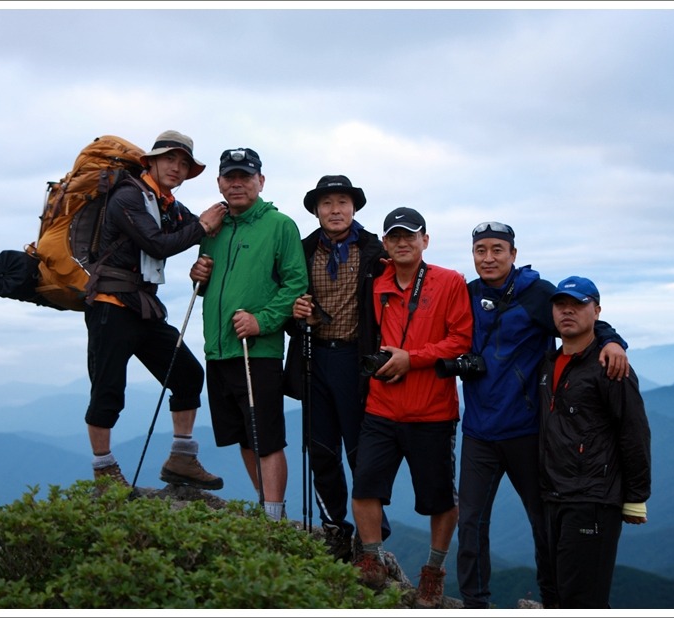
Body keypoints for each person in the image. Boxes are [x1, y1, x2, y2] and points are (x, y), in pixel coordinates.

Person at [456, 221, 630, 609]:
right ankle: (474, 603)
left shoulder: (537, 294)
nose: (488, 258)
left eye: (497, 250)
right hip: (478, 430)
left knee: (543, 522)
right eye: (480, 250)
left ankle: (552, 601)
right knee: (470, 522)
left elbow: (578, 317)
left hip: (528, 430)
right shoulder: (467, 294)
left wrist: (613, 341)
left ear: (513, 254)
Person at [83, 130, 228, 491]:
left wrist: (226, 216)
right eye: (170, 159)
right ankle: (104, 471)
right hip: (110, 305)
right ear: (151, 162)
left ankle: (182, 459)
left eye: (184, 164)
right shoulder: (128, 196)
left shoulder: (166, 204)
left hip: (143, 307)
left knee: (188, 375)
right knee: (107, 390)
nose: (177, 168)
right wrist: (202, 226)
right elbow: (157, 244)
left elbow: (196, 228)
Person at [349, 207, 472, 609]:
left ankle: (433, 573)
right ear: (385, 243)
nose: (403, 242)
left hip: (432, 410)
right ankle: (372, 559)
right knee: (365, 486)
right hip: (381, 406)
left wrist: (411, 359)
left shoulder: (450, 282)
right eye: (395, 237)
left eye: (410, 236)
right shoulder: (375, 283)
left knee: (440, 499)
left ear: (425, 240)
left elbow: (461, 340)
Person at [188, 147, 308, 522]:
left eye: (245, 176)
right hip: (218, 349)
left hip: (257, 350)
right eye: (230, 177)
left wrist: (262, 321)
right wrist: (197, 277)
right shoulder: (214, 228)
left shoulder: (280, 225)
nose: (237, 183)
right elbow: (212, 284)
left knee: (266, 438)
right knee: (244, 435)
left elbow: (296, 284)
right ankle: (267, 509)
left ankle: (274, 518)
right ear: (219, 182)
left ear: (261, 181)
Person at [287, 175, 390, 560]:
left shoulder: (374, 251)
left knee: (362, 449)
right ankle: (333, 526)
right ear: (316, 210)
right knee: (321, 448)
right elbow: (284, 302)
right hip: (313, 356)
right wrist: (295, 313)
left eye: (342, 202)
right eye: (327, 203)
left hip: (356, 361)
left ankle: (371, 533)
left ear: (354, 208)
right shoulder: (302, 251)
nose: (335, 210)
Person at [539, 275, 651, 609]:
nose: (567, 311)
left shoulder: (610, 366)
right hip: (552, 496)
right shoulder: (548, 363)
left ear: (597, 311)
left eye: (578, 304)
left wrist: (636, 497)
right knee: (554, 592)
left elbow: (634, 431)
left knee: (583, 599)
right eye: (561, 305)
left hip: (593, 499)